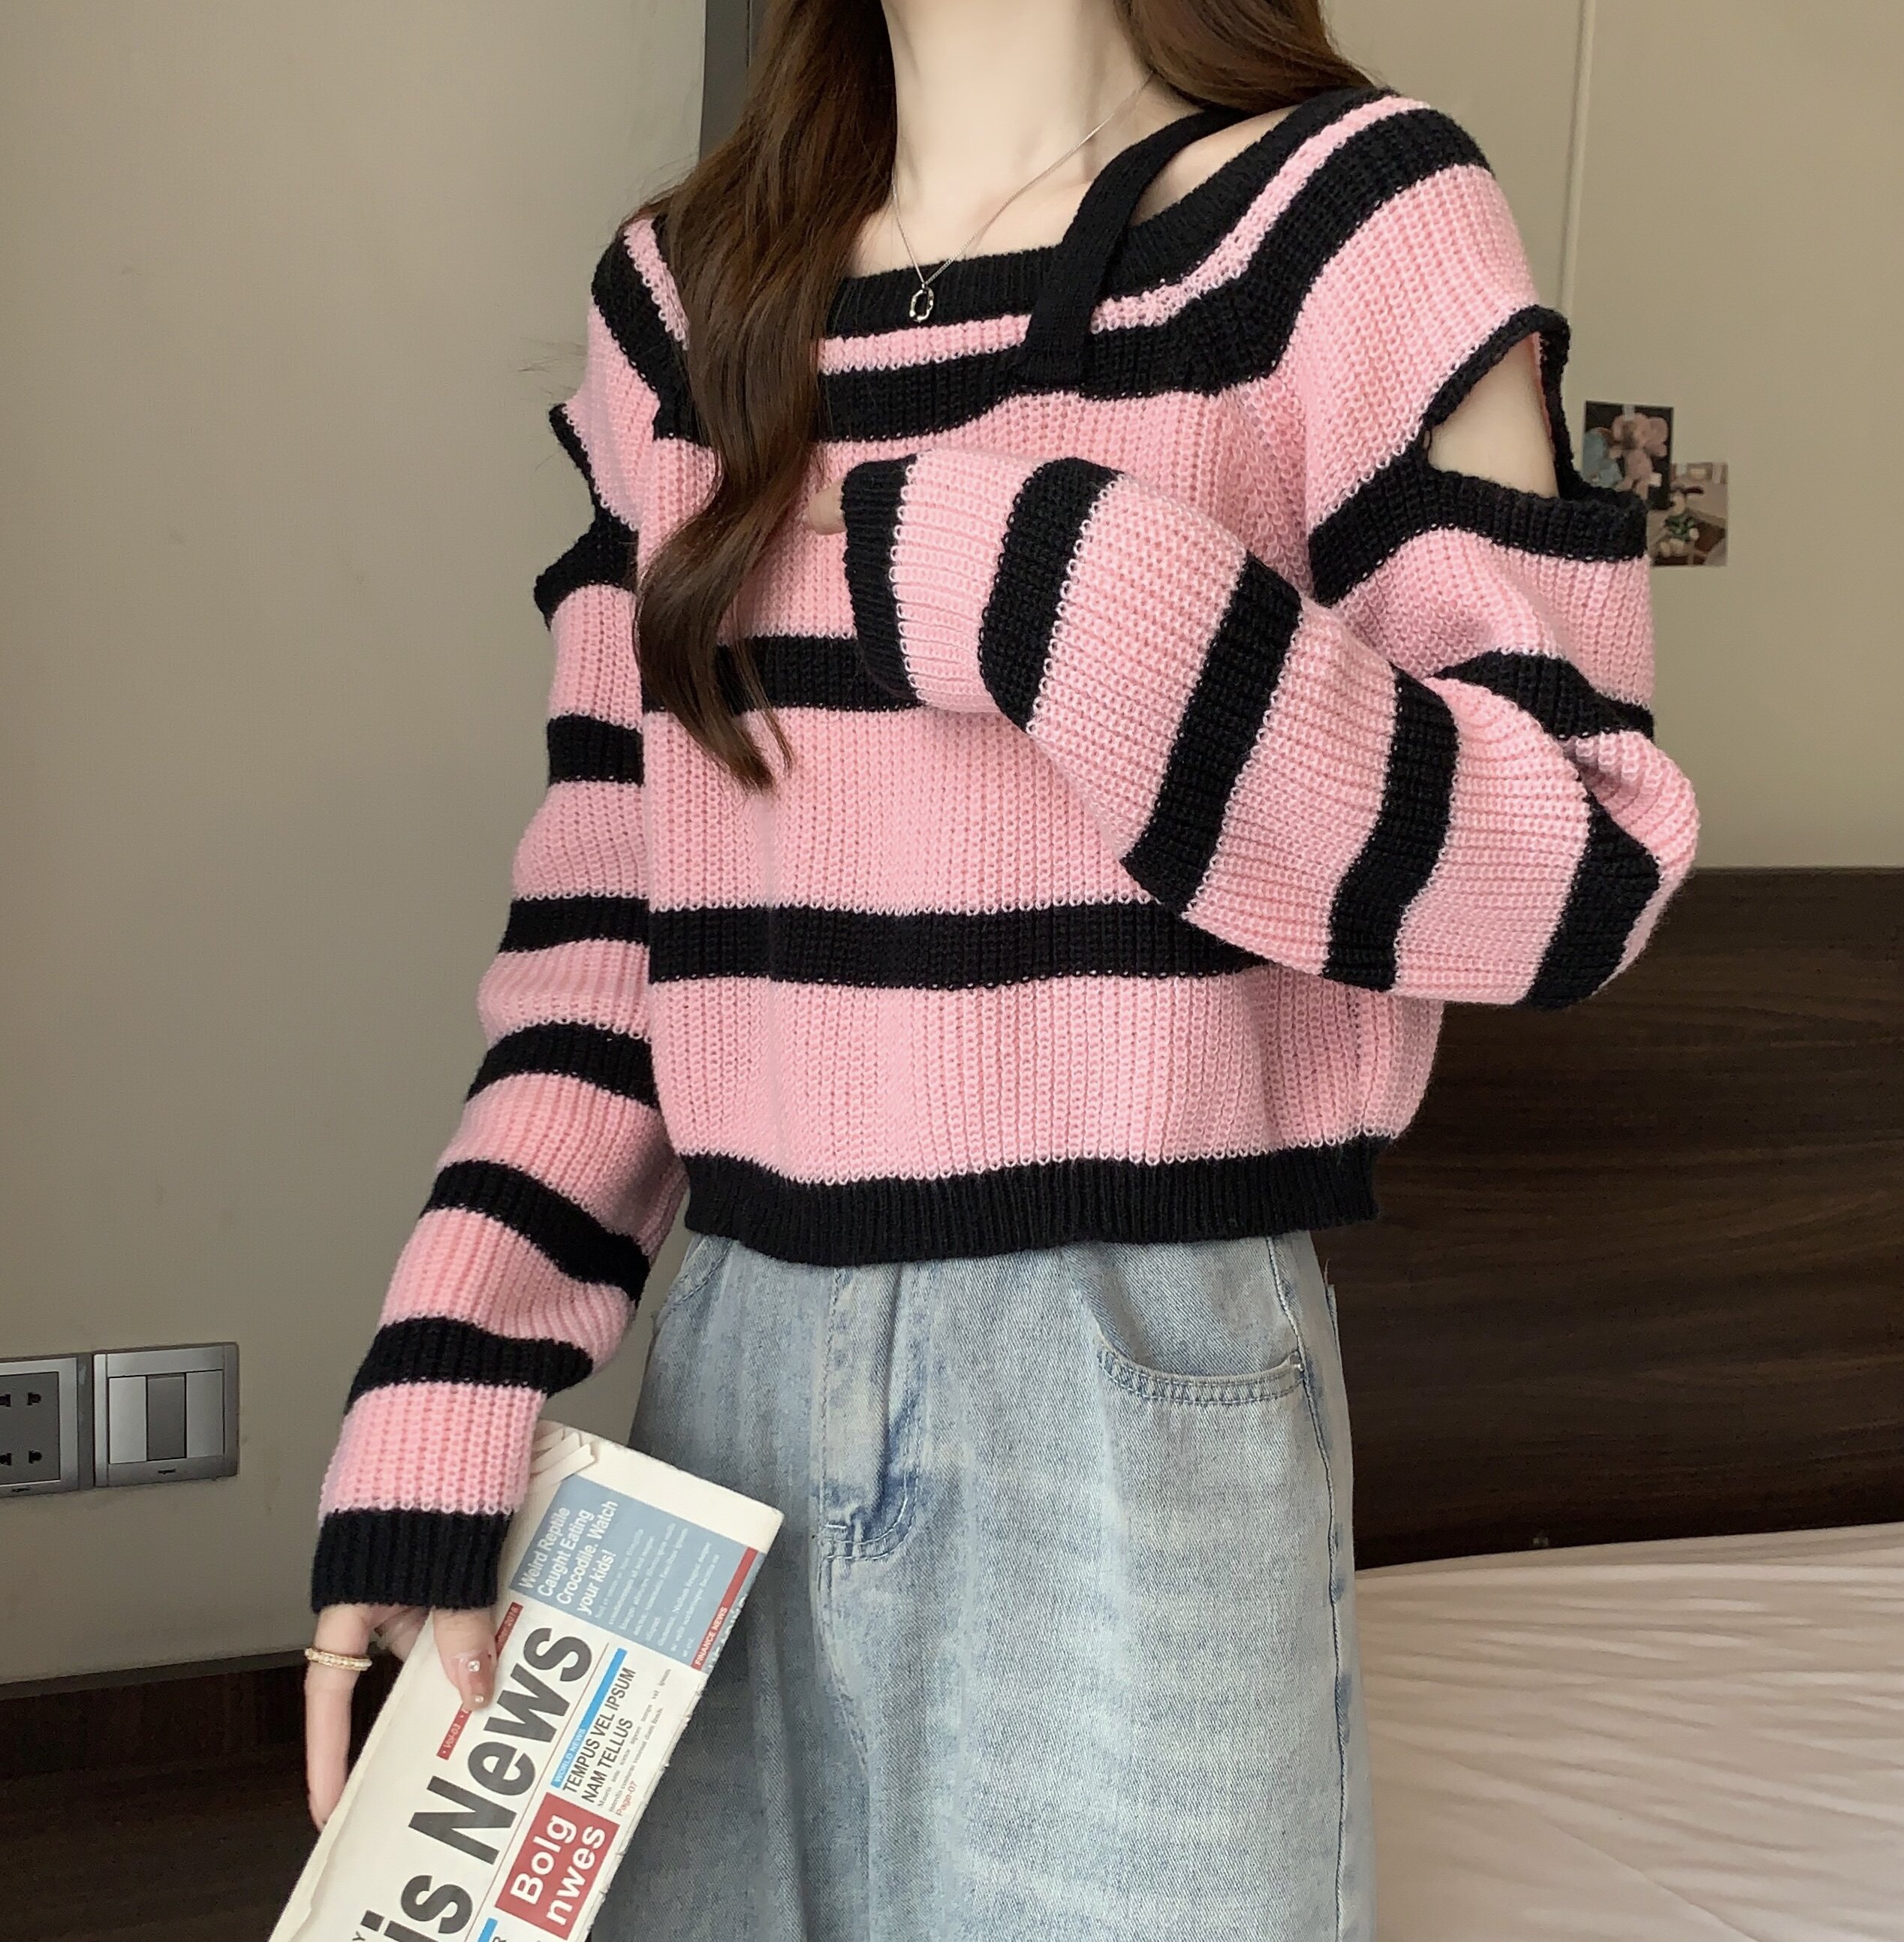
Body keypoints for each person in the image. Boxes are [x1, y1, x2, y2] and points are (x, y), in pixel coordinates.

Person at [301, 2, 1701, 1936]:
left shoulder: (1352, 217)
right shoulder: (686, 301)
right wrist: (444, 1377)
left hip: (1140, 1376)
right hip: (729, 1381)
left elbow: (1576, 869)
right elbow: (609, 931)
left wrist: (1063, 582)